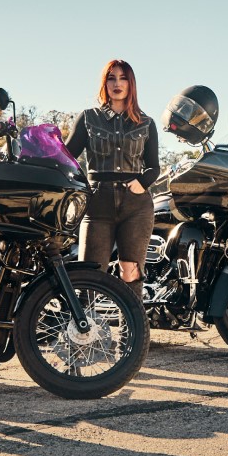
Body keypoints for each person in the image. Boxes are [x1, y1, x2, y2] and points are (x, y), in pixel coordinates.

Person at [63, 59, 160, 286]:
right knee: (90, 273)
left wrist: (142, 182)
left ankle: (135, 322)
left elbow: (154, 167)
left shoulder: (146, 123)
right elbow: (67, 158)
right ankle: (84, 322)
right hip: (97, 205)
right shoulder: (89, 117)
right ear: (104, 83)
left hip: (135, 207)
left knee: (131, 273)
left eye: (123, 78)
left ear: (131, 84)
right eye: (111, 78)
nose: (117, 83)